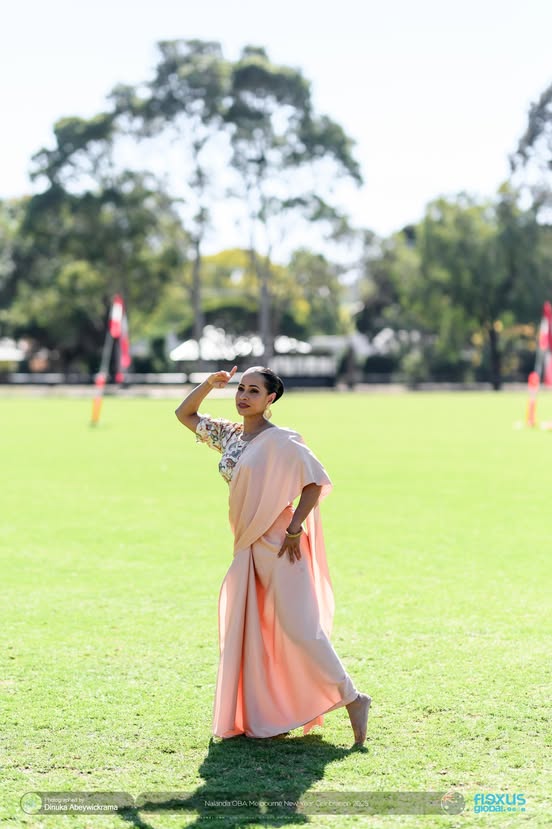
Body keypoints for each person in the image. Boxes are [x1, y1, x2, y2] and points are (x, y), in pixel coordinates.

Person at [175, 365, 371, 745]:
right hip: (247, 544)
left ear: (270, 399)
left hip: (281, 544)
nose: (243, 396)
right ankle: (270, 716)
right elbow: (185, 414)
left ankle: (353, 698)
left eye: (253, 391)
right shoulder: (229, 435)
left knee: (300, 629)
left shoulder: (282, 440)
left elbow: (315, 483)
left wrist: (296, 528)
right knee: (256, 629)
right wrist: (208, 385)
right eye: (240, 389)